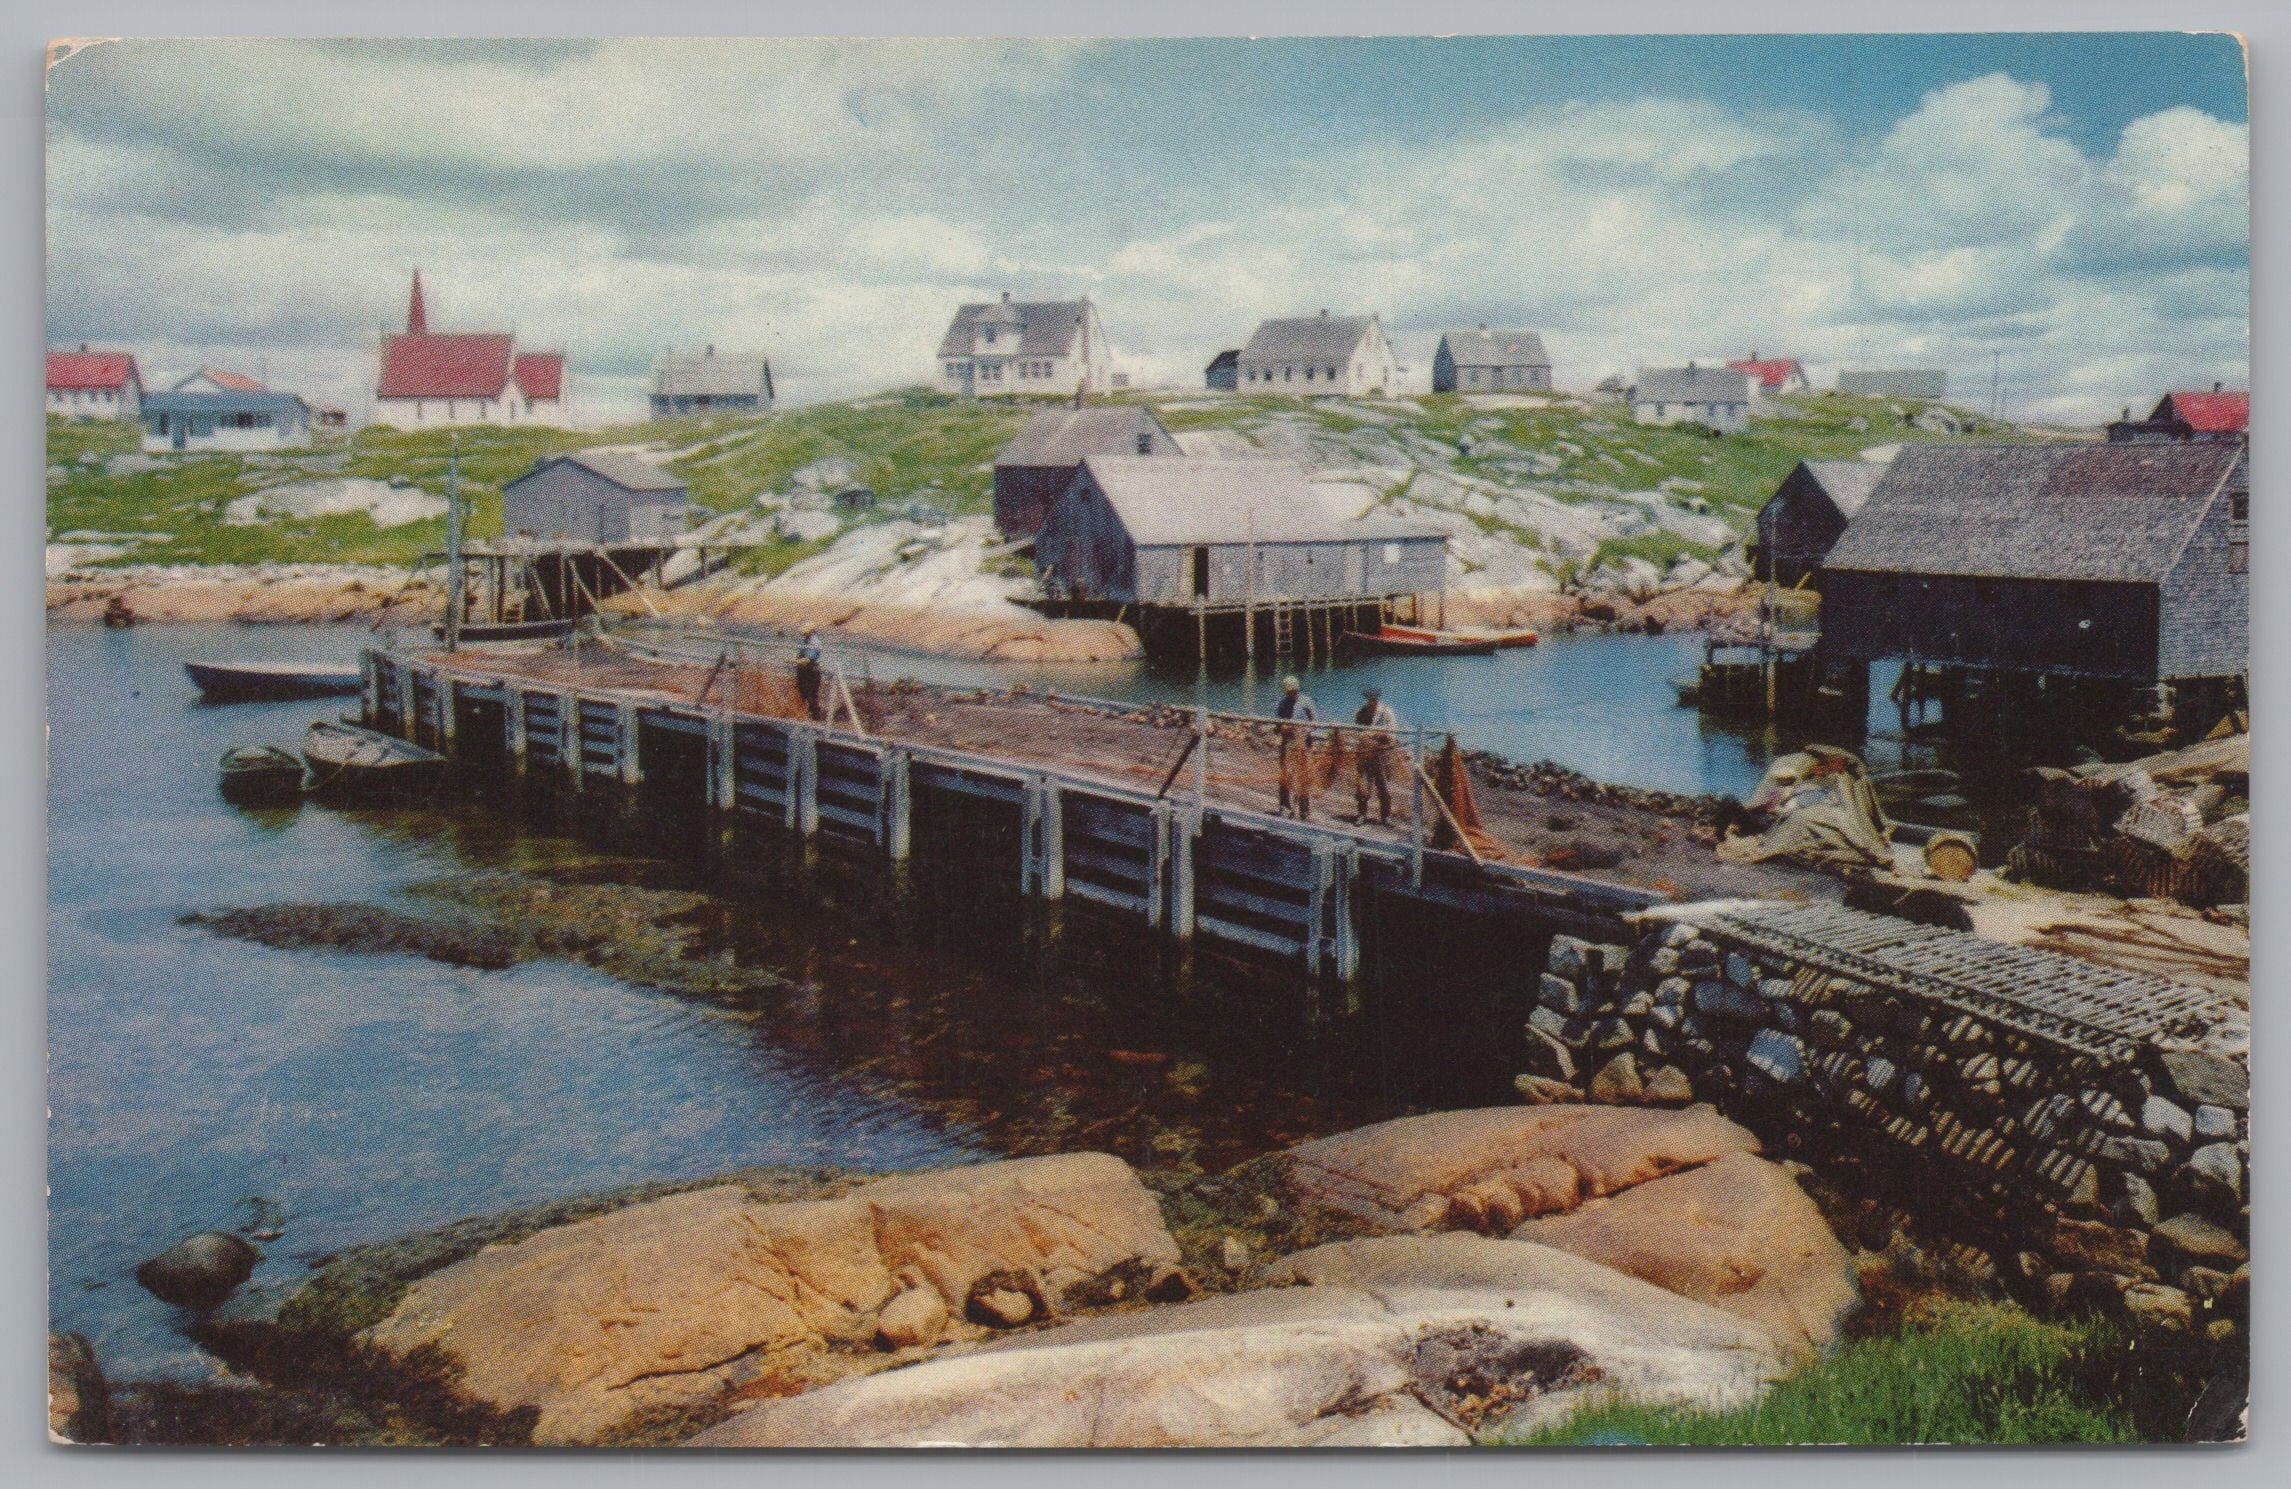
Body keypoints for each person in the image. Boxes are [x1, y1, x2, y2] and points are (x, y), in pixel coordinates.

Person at [1351, 686, 1400, 826]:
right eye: (1369, 698)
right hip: (1365, 754)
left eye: (1373, 698)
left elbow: (1393, 733)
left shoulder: (1386, 712)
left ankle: (1385, 816)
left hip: (1381, 755)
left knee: (1383, 786)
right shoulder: (1362, 711)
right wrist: (1365, 735)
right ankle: (1361, 814)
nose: (1371, 700)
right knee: (1363, 785)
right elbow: (1356, 730)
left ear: (1378, 698)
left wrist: (1380, 734)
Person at [1274, 675, 1319, 819]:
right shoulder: (1282, 703)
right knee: (1285, 774)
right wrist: (1283, 728)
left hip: (1304, 744)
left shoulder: (1306, 701)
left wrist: (1306, 730)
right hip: (1288, 744)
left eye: (1294, 691)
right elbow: (1277, 725)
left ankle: (1304, 809)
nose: (1293, 693)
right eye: (1289, 691)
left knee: (1304, 776)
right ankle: (1284, 805)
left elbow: (1315, 722)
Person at [793, 629, 824, 720]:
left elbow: (809, 658)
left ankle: (816, 716)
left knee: (811, 692)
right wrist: (795, 658)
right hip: (802, 668)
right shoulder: (803, 640)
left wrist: (796, 661)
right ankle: (805, 713)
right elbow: (799, 652)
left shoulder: (815, 641)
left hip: (811, 668)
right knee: (802, 689)